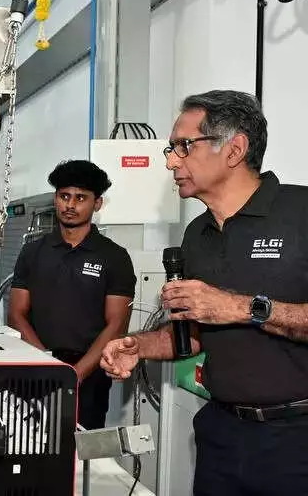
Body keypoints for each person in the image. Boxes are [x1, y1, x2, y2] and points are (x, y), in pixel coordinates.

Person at [100, 90, 308, 496]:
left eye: (184, 146)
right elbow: (193, 334)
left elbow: (229, 311)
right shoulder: (197, 234)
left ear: (234, 149)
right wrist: (139, 346)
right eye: (171, 149)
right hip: (221, 435)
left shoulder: (300, 213)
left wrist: (242, 307)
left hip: (297, 440)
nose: (171, 161)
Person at [8, 160, 135, 429]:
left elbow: (117, 325)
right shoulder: (33, 252)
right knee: (29, 445)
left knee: (80, 450)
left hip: (88, 377)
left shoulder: (115, 257)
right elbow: (16, 315)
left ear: (97, 203)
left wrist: (75, 374)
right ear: (55, 199)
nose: (70, 205)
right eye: (64, 196)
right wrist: (46, 364)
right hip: (37, 369)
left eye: (81, 198)